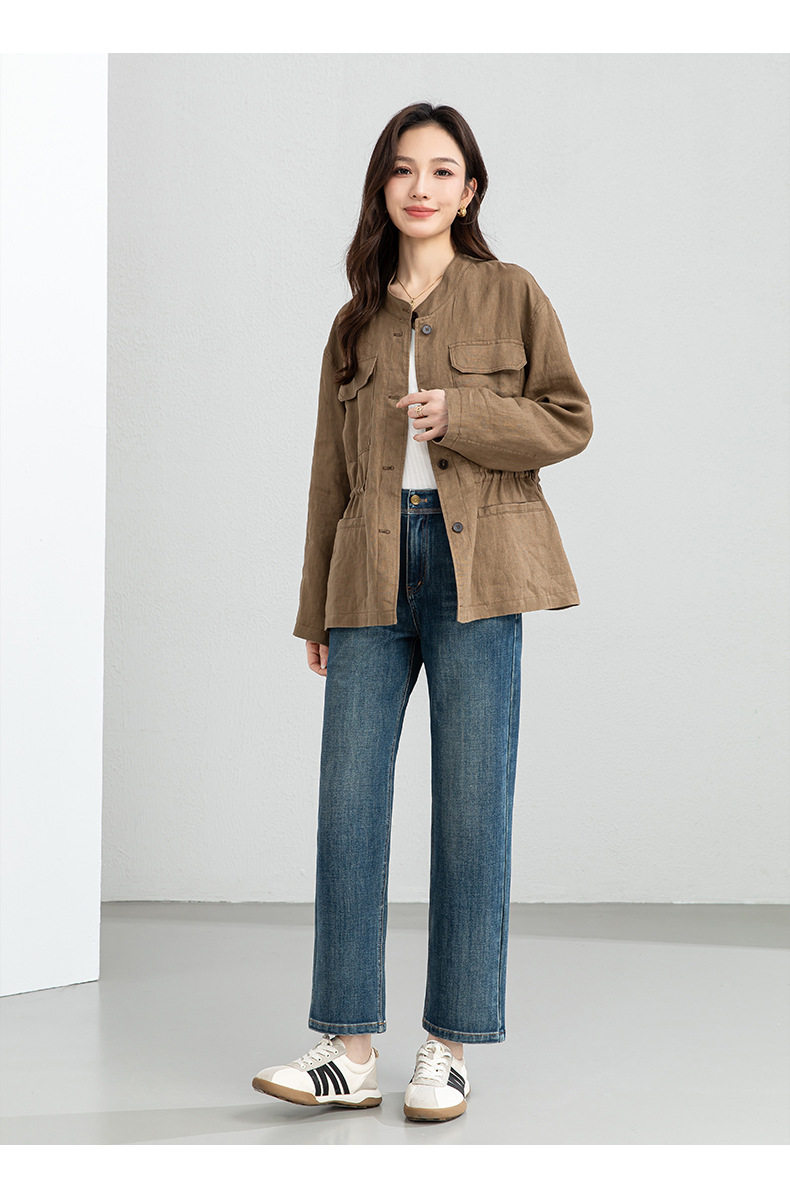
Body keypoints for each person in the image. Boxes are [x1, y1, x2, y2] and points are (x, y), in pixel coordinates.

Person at [252, 102, 593, 1123]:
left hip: (478, 565)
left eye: (442, 170)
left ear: (469, 190)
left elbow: (569, 419)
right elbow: (326, 476)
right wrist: (313, 607)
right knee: (347, 805)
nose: (421, 187)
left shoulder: (510, 291)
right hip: (367, 567)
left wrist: (467, 413)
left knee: (472, 806)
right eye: (404, 169)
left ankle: (447, 1045)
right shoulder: (355, 321)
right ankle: (348, 1048)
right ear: (383, 186)